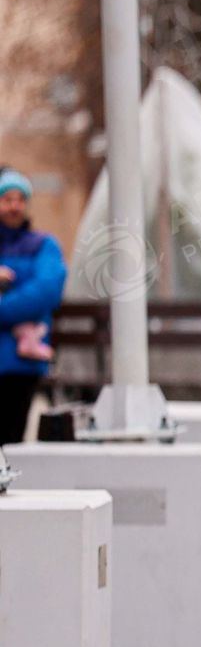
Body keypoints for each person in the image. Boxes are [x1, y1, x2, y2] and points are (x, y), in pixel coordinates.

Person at [0, 167, 65, 445]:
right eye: (7, 199)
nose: (14, 206)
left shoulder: (43, 245)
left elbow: (44, 292)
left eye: (20, 200)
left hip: (20, 360)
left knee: (11, 434)